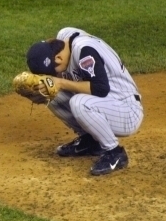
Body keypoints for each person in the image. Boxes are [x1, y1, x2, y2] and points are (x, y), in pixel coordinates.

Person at [25, 27, 143, 175]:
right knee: (50, 93)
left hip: (127, 110)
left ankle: (115, 152)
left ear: (59, 58)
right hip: (105, 103)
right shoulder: (63, 39)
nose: (56, 75)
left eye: (55, 72)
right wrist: (41, 92)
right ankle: (91, 141)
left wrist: (60, 83)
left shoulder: (84, 50)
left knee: (79, 103)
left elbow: (100, 89)